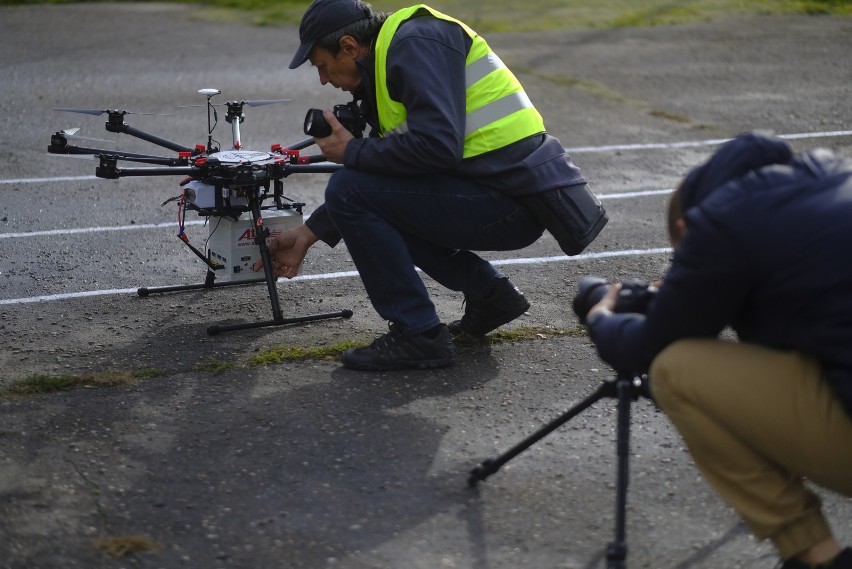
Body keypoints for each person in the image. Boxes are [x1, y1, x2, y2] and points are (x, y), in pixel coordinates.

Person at [256, 0, 605, 371]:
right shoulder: (395, 53)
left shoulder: (414, 43)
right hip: (495, 191)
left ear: (348, 46)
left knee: (349, 187)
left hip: (511, 200)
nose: (324, 80)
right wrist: (310, 232)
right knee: (362, 192)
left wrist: (353, 151)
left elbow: (437, 147)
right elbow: (387, 181)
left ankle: (417, 334)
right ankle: (491, 296)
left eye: (322, 67)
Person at [582, 131, 852, 569]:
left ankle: (817, 556)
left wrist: (602, 319)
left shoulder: (722, 222)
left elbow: (648, 350)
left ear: (687, 229)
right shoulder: (829, 172)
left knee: (675, 369)